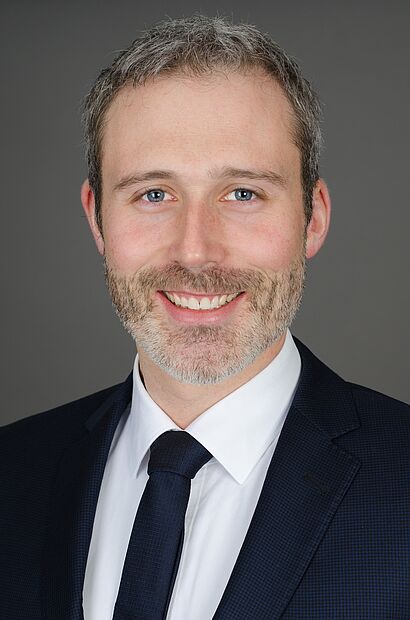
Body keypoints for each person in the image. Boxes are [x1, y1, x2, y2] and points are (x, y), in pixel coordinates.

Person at [0, 14, 409, 620]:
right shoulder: (13, 472)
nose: (195, 252)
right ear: (97, 219)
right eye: (154, 194)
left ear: (313, 217)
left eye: (243, 194)